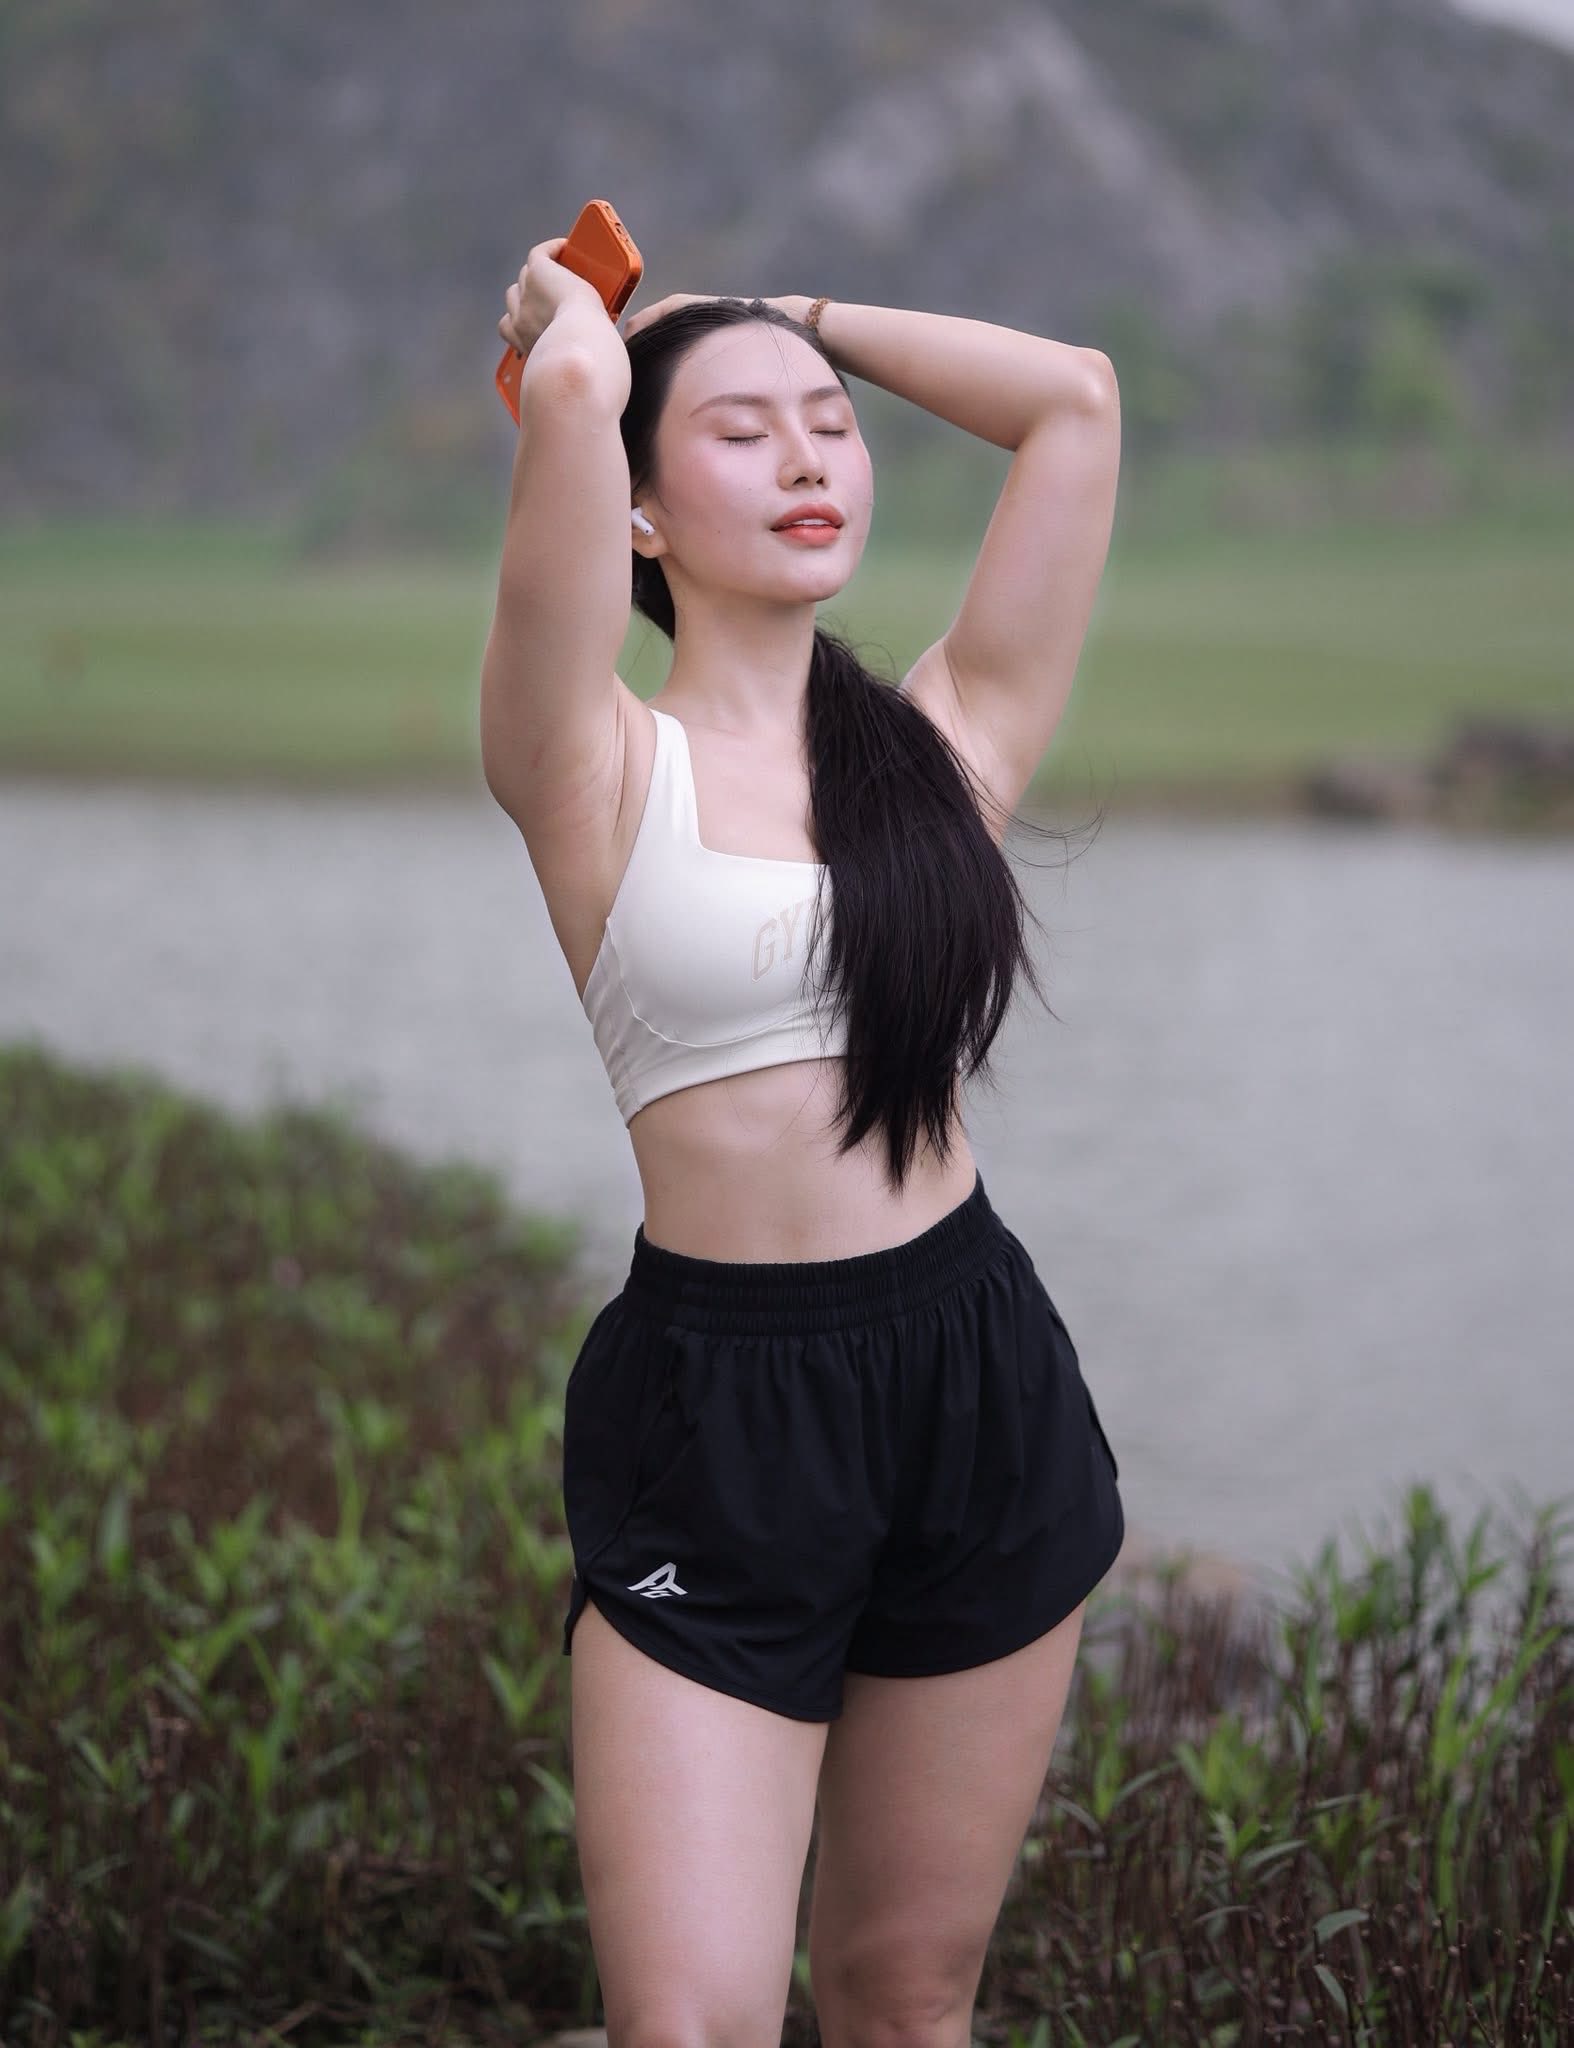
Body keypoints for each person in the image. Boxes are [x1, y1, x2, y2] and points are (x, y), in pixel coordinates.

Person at [483, 236, 1125, 2047]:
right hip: (719, 1410)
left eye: (828, 427)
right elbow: (578, 396)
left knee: (903, 1998)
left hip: (975, 1377)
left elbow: (1071, 400)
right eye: (743, 430)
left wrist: (792, 318)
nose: (806, 458)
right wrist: (579, 335)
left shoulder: (944, 748)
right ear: (635, 518)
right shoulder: (587, 761)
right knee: (689, 2024)